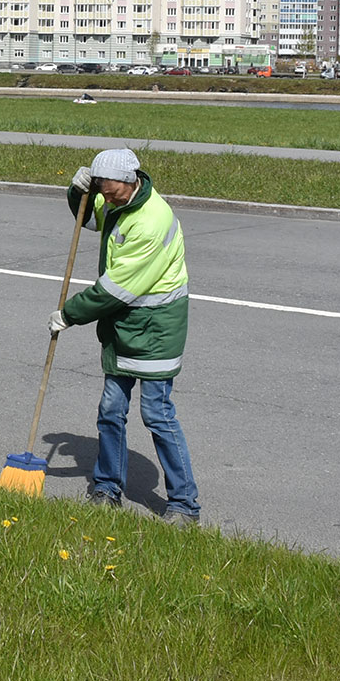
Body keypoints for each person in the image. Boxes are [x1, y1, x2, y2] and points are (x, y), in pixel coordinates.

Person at [54, 147, 200, 523]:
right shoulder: (119, 201)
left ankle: (184, 504)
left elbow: (119, 289)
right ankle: (107, 487)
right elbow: (89, 220)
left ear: (131, 179)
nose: (104, 194)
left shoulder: (151, 220)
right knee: (110, 410)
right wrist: (77, 191)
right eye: (100, 186)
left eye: (109, 186)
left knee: (157, 414)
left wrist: (70, 314)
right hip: (124, 323)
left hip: (156, 328)